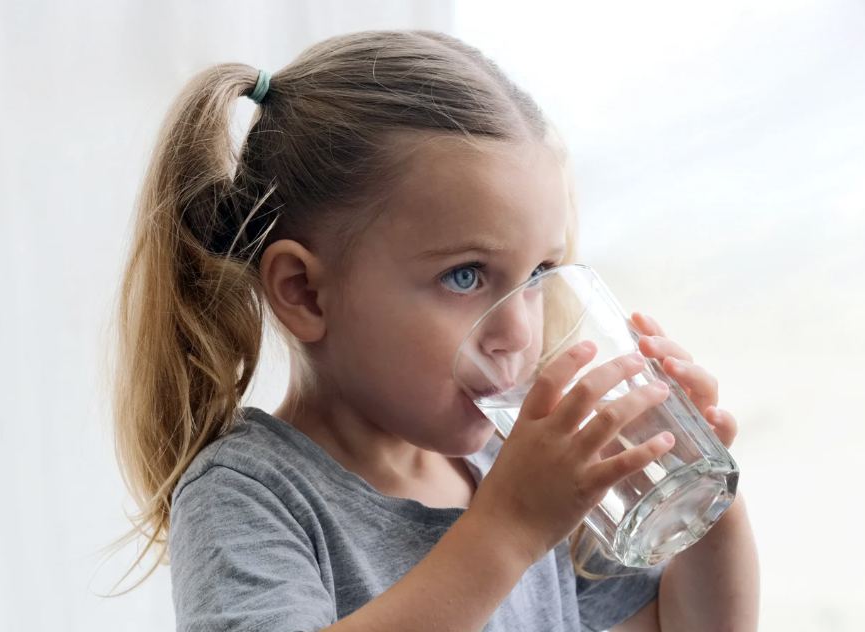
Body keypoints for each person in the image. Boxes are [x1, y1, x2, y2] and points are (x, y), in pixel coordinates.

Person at [112, 29, 759, 632]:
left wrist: (707, 506)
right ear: (304, 292)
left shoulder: (516, 466)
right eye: (466, 276)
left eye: (539, 271)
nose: (518, 331)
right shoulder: (248, 494)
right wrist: (506, 530)